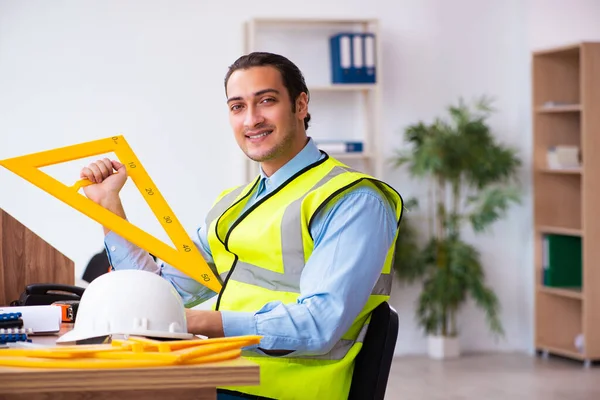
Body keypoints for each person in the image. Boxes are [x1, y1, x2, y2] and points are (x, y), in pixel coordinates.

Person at [79, 52, 404, 400]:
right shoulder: (234, 205)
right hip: (218, 379)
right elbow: (161, 291)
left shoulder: (354, 200)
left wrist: (195, 323)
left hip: (284, 393)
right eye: (237, 106)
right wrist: (108, 207)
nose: (252, 119)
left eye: (266, 100)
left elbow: (318, 326)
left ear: (300, 104)